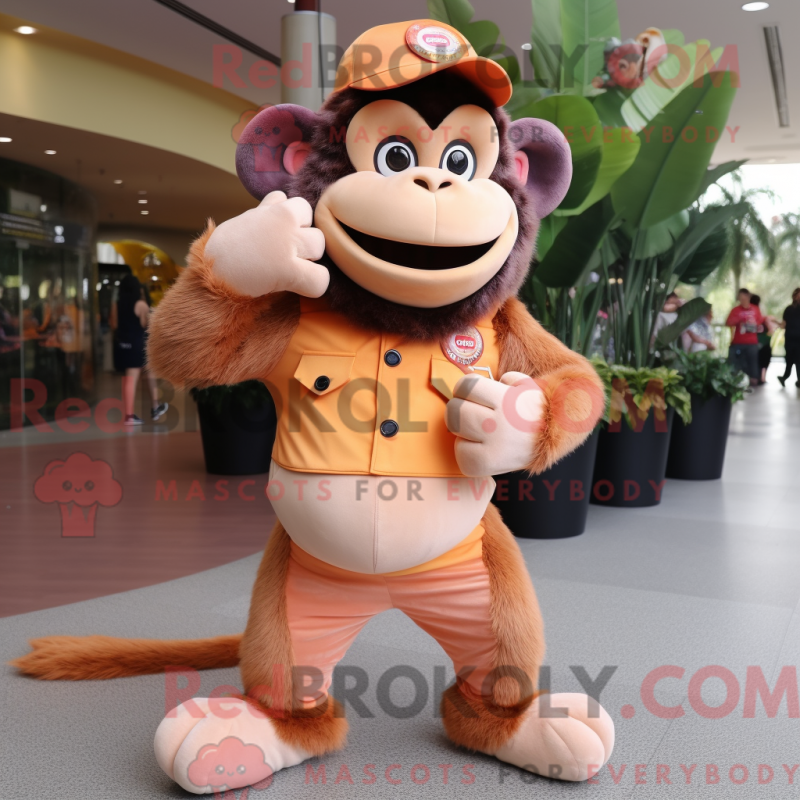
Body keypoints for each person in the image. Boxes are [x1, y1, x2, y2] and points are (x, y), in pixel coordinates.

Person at [110, 274, 167, 425]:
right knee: (148, 373)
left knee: (133, 378)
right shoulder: (141, 304)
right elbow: (146, 325)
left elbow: (114, 324)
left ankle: (152, 407)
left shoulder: (117, 304)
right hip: (138, 344)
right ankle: (140, 412)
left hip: (123, 344)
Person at [726, 288, 764, 387]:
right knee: (736, 362)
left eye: (744, 298)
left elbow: (760, 321)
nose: (742, 301)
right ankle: (735, 380)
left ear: (748, 297)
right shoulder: (735, 310)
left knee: (753, 363)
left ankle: (754, 380)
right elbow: (728, 322)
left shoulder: (755, 309)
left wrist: (753, 324)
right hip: (738, 342)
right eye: (740, 299)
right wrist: (739, 320)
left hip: (752, 342)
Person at [778, 287, 800, 387]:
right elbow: (783, 325)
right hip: (790, 339)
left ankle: (786, 377)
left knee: (794, 360)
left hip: (793, 339)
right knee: (791, 360)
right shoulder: (789, 309)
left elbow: (783, 325)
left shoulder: (789, 309)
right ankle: (785, 377)